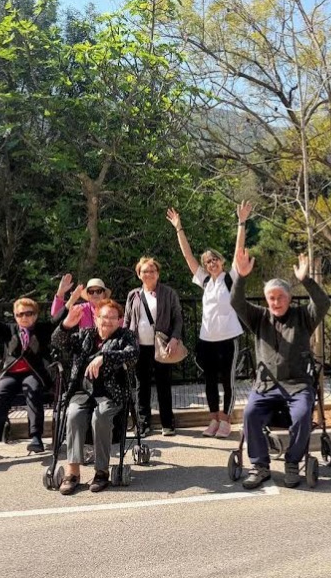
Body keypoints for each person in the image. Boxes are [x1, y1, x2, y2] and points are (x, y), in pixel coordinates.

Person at [230, 246, 331, 490]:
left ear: (289, 298)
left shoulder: (303, 317)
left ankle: (292, 462)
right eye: (271, 298)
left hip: (297, 385)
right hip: (266, 386)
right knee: (250, 414)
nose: (276, 302)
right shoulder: (259, 317)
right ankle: (260, 466)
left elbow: (323, 303)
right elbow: (235, 301)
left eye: (280, 297)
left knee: (303, 414)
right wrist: (240, 277)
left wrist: (306, 280)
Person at [0, 277, 69, 459]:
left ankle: (36, 438)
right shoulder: (8, 330)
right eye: (20, 314)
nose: (24, 317)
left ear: (35, 315)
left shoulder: (42, 329)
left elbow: (58, 318)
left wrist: (69, 297)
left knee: (33, 391)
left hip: (33, 373)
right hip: (11, 374)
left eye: (29, 313)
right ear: (15, 316)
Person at [165, 202, 250, 439]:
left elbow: (239, 250)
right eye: (208, 262)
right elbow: (187, 256)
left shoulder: (230, 279)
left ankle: (226, 420)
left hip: (228, 339)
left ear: (221, 262)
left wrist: (241, 222)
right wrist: (178, 227)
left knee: (228, 382)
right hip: (207, 340)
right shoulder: (205, 282)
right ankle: (214, 419)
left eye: (215, 260)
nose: (211, 264)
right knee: (210, 382)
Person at [52, 299, 138, 495]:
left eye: (113, 318)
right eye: (103, 317)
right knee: (73, 414)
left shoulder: (126, 336)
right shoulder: (85, 335)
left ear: (120, 320)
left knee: (100, 416)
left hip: (111, 393)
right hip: (83, 391)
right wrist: (66, 325)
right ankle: (73, 472)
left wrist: (104, 357)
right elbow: (57, 342)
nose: (107, 321)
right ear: (96, 318)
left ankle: (101, 471)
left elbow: (132, 354)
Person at [123, 257, 184, 437]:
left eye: (152, 271)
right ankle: (143, 424)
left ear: (158, 274)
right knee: (141, 386)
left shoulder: (168, 293)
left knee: (163, 384)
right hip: (139, 346)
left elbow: (177, 318)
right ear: (139, 274)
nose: (148, 274)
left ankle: (167, 423)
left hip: (162, 346)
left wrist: (175, 338)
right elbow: (127, 319)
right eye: (145, 271)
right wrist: (125, 341)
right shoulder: (133, 295)